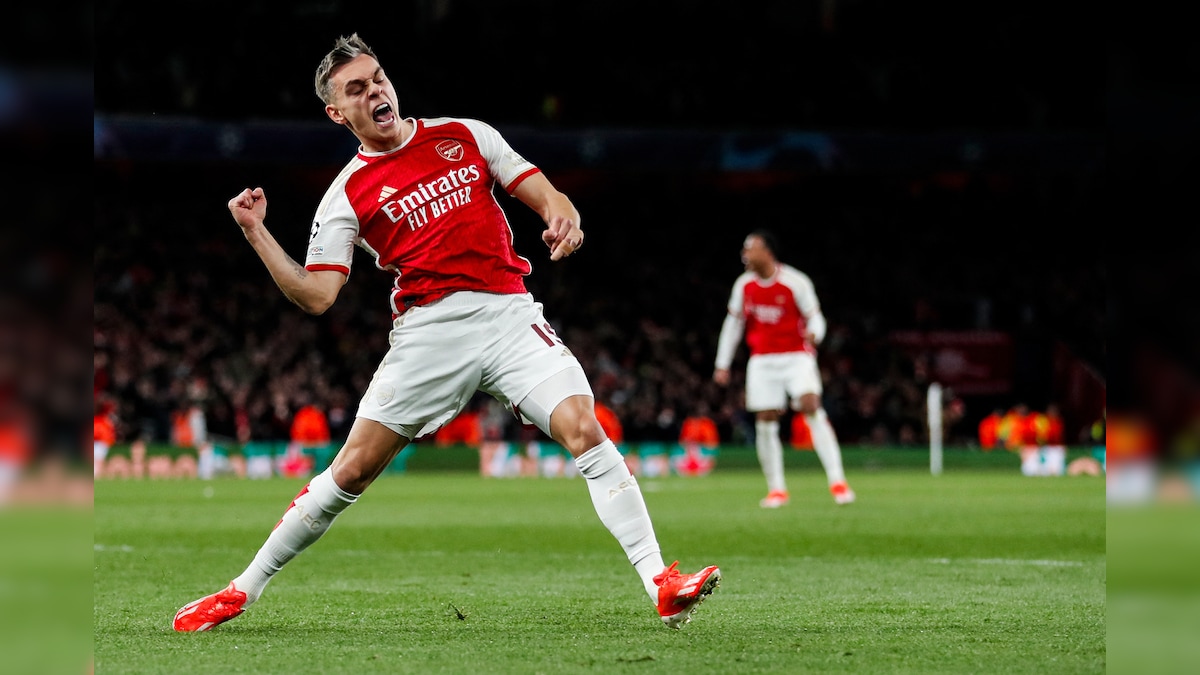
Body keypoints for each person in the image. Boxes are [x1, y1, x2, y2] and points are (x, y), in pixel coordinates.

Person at [172, 33, 719, 632]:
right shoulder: (345, 195)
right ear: (337, 112)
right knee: (351, 471)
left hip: (509, 315)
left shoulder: (466, 134)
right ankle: (241, 590)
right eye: (356, 89)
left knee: (585, 428)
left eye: (378, 78)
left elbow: (547, 194)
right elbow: (316, 295)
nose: (374, 91)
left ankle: (661, 583)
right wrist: (255, 231)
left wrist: (565, 217)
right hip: (429, 333)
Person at [713, 230, 855, 507]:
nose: (744, 254)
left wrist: (816, 334)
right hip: (763, 360)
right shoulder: (744, 286)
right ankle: (777, 488)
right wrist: (722, 363)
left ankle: (838, 481)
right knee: (765, 418)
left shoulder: (795, 282)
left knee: (810, 404)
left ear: (767, 252)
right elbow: (733, 325)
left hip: (796, 356)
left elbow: (815, 317)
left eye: (750, 248)